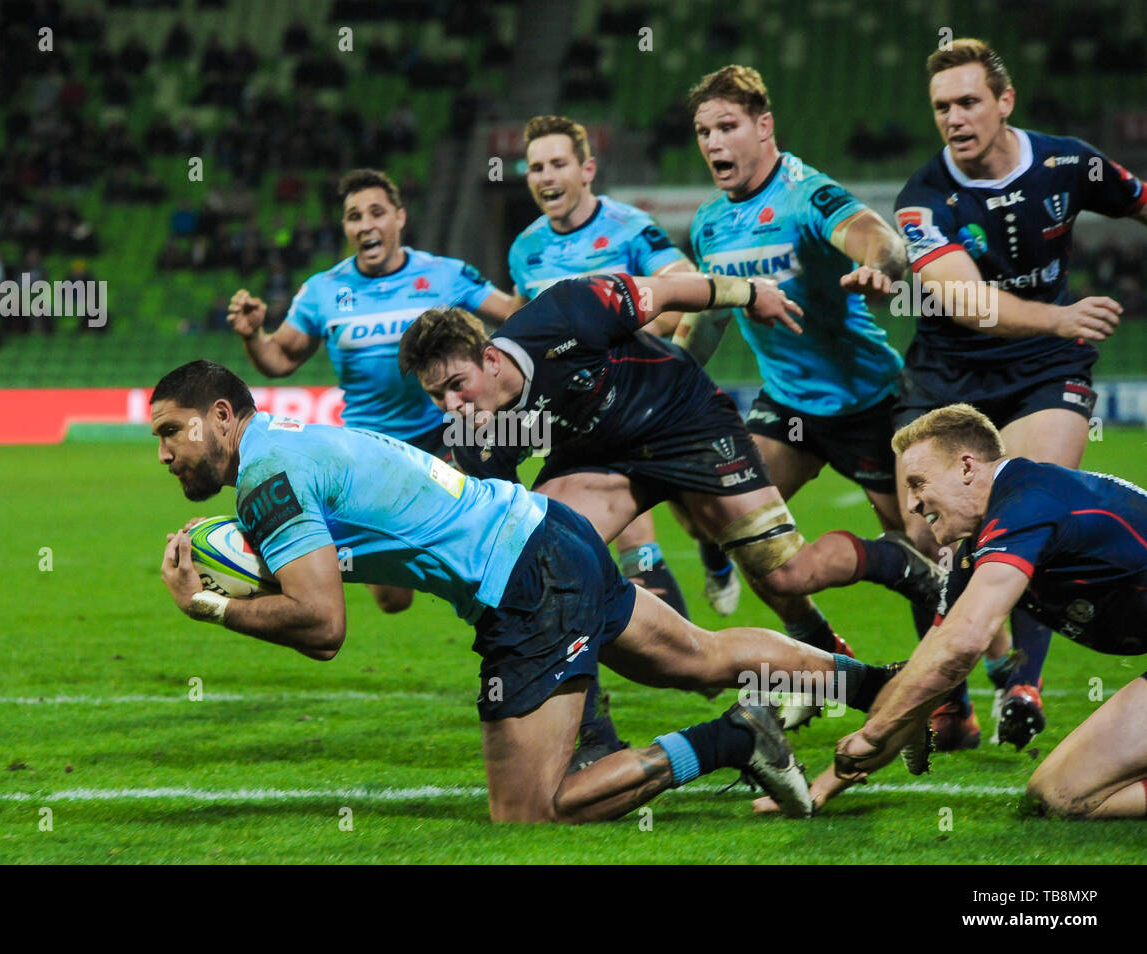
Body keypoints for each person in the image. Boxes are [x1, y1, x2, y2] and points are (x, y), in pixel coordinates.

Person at [152, 359, 906, 823]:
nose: (162, 453)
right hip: (549, 531)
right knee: (699, 656)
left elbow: (322, 626)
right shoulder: (293, 443)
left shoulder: (267, 472)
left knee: (531, 810)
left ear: (222, 415)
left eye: (172, 431)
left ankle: (734, 737)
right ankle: (886, 689)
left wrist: (209, 605)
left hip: (523, 579)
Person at [398, 272, 946, 664]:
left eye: (456, 385)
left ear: (490, 358)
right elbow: (499, 528)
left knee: (784, 572)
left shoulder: (565, 312)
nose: (452, 405)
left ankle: (895, 560)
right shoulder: (473, 434)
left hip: (685, 421)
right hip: (600, 458)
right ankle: (593, 734)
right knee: (548, 571)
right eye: (436, 396)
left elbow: (670, 288)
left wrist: (751, 293)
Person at [891, 38, 1147, 749]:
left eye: (969, 101)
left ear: (1005, 102)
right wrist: (1063, 316)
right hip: (947, 375)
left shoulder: (1069, 162)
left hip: (1042, 369)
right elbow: (967, 304)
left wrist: (1057, 331)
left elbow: (1139, 200)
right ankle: (956, 702)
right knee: (928, 535)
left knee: (1041, 506)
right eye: (942, 106)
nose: (955, 117)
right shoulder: (923, 200)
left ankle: (1022, 686)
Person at [680, 66, 935, 686]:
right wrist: (666, 380)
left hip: (868, 402)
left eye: (728, 126)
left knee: (923, 551)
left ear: (763, 127)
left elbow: (879, 238)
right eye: (703, 131)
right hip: (789, 406)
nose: (714, 143)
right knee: (737, 528)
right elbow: (709, 321)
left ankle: (949, 689)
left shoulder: (805, 193)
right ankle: (818, 646)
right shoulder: (709, 224)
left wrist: (879, 266)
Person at [780, 404, 1147, 820]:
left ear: (967, 467)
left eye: (918, 484)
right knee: (1060, 793)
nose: (913, 504)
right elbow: (931, 662)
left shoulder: (1029, 502)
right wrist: (825, 784)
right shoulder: (978, 546)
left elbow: (964, 645)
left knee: (1064, 793)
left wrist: (874, 734)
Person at [228, 168, 519, 616]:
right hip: (368, 449)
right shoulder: (322, 291)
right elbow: (280, 360)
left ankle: (509, 616)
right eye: (354, 216)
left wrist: (535, 282)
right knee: (392, 599)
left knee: (489, 549)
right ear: (346, 227)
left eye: (376, 212)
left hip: (446, 436)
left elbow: (512, 315)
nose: (366, 224)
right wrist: (253, 335)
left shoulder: (443, 275)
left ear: (400, 218)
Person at [508, 115, 725, 619]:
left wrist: (625, 349)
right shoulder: (526, 248)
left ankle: (695, 630)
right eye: (536, 167)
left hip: (642, 397)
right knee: (596, 542)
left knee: (698, 521)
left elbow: (685, 284)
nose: (546, 176)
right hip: (574, 413)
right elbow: (525, 323)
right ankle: (658, 670)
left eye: (558, 163)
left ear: (586, 169)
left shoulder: (630, 227)